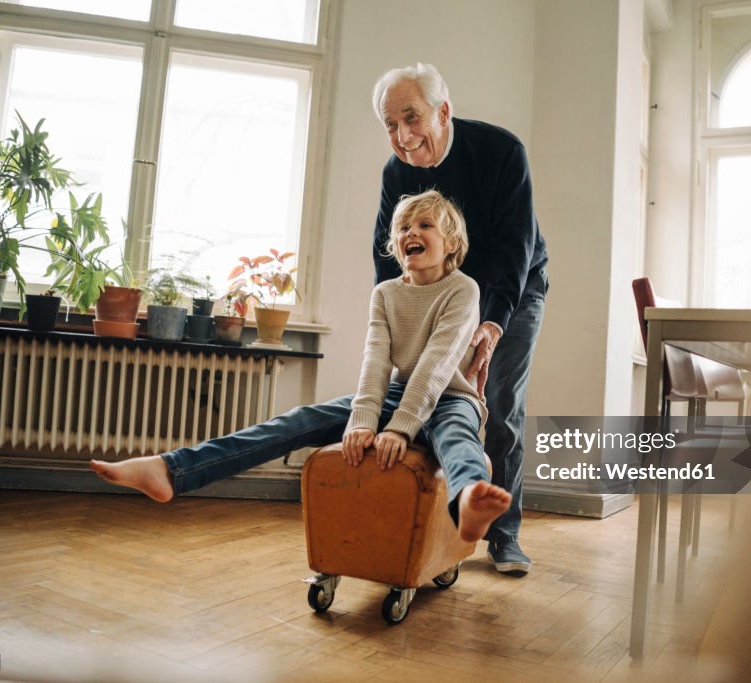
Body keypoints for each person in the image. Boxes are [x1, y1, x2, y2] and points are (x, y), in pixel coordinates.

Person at [90, 190, 512, 544]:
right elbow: (376, 361)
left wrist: (400, 428)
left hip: (453, 397)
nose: (411, 234)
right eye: (404, 228)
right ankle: (171, 469)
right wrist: (364, 420)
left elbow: (438, 365)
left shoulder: (463, 289)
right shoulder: (385, 293)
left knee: (457, 438)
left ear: (451, 243)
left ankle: (469, 500)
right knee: (301, 418)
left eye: (424, 226)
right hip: (402, 394)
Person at [372, 63, 548, 574]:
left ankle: (504, 534)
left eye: (411, 118)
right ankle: (436, 526)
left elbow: (515, 248)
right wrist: (385, 325)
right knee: (423, 397)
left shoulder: (502, 152)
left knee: (496, 403)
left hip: (509, 290)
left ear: (443, 112)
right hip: (435, 292)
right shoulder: (396, 171)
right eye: (390, 125)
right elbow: (386, 257)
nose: (402, 137)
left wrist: (491, 324)